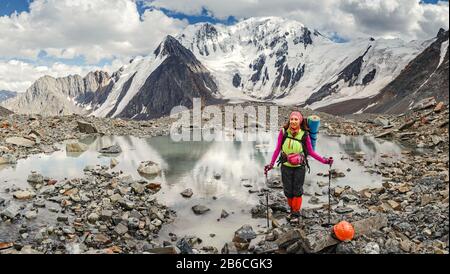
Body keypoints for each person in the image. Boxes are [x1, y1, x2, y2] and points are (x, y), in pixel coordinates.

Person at [264, 111, 333, 223]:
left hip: (299, 167)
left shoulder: (304, 134)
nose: (293, 121)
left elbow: (311, 152)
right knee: (288, 191)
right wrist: (271, 164)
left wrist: (325, 161)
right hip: (285, 166)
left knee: (297, 190)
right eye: (292, 119)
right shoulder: (283, 132)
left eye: (296, 119)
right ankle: (292, 211)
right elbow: (277, 149)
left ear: (300, 121)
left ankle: (296, 213)